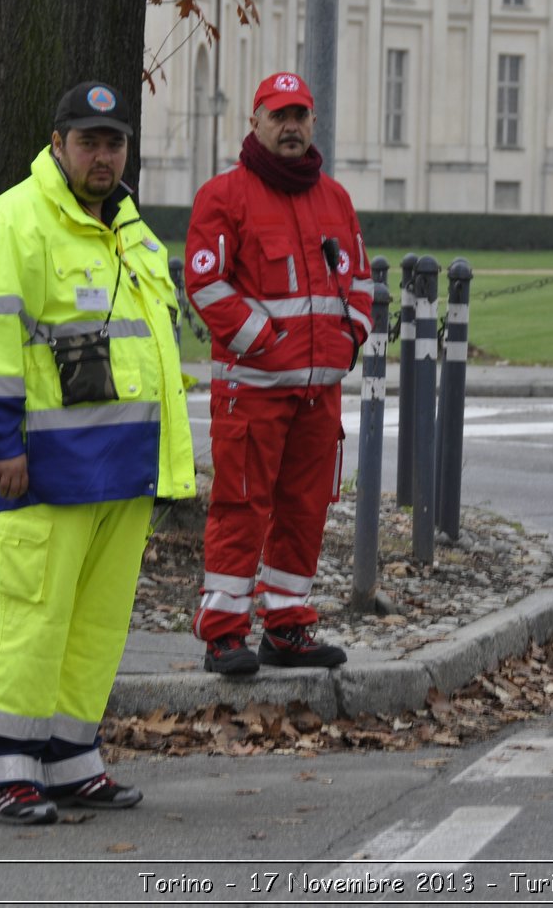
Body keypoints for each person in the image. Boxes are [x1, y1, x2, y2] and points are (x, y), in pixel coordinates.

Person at [0, 81, 196, 824]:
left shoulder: (131, 230)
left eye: (113, 141)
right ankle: (2, 768)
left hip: (122, 469)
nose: (102, 154)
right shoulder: (11, 223)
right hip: (43, 469)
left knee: (95, 623)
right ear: (57, 144)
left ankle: (68, 756)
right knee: (32, 616)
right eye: (87, 141)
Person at [184, 71, 372, 676]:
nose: (290, 127)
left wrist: (352, 339)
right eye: (278, 115)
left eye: (300, 116)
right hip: (253, 393)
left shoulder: (335, 200)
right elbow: (207, 285)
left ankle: (287, 624)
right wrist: (267, 344)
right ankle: (223, 632)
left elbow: (361, 282)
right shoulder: (224, 196)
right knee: (241, 506)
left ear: (313, 124)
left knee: (305, 506)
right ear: (255, 122)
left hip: (320, 395)